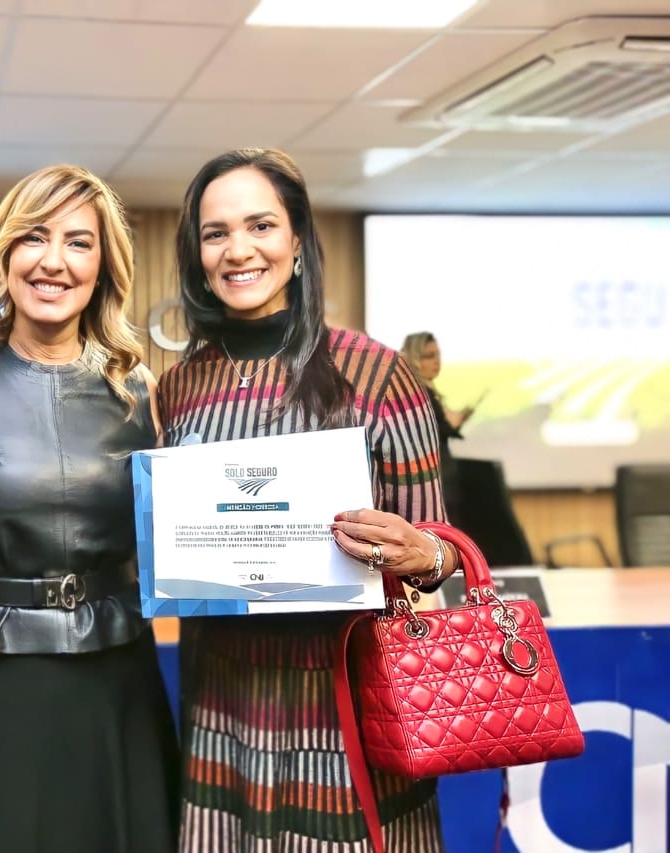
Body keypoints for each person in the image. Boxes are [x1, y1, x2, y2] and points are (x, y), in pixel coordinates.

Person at [157, 149, 462, 851]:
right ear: (197, 252)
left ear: (297, 241)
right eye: (215, 232)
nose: (239, 249)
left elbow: (441, 548)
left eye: (261, 225)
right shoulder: (179, 389)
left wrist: (422, 550)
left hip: (347, 714)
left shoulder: (377, 373)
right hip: (223, 712)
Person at [0, 165, 179, 853]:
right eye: (34, 237)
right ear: (6, 253)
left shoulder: (141, 387)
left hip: (116, 675)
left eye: (78, 242)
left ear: (104, 264)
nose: (53, 260)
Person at [400, 331, 473, 460]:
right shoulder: (419, 395)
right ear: (414, 358)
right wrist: (452, 423)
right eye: (429, 356)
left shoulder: (426, 392)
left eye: (438, 354)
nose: (436, 361)